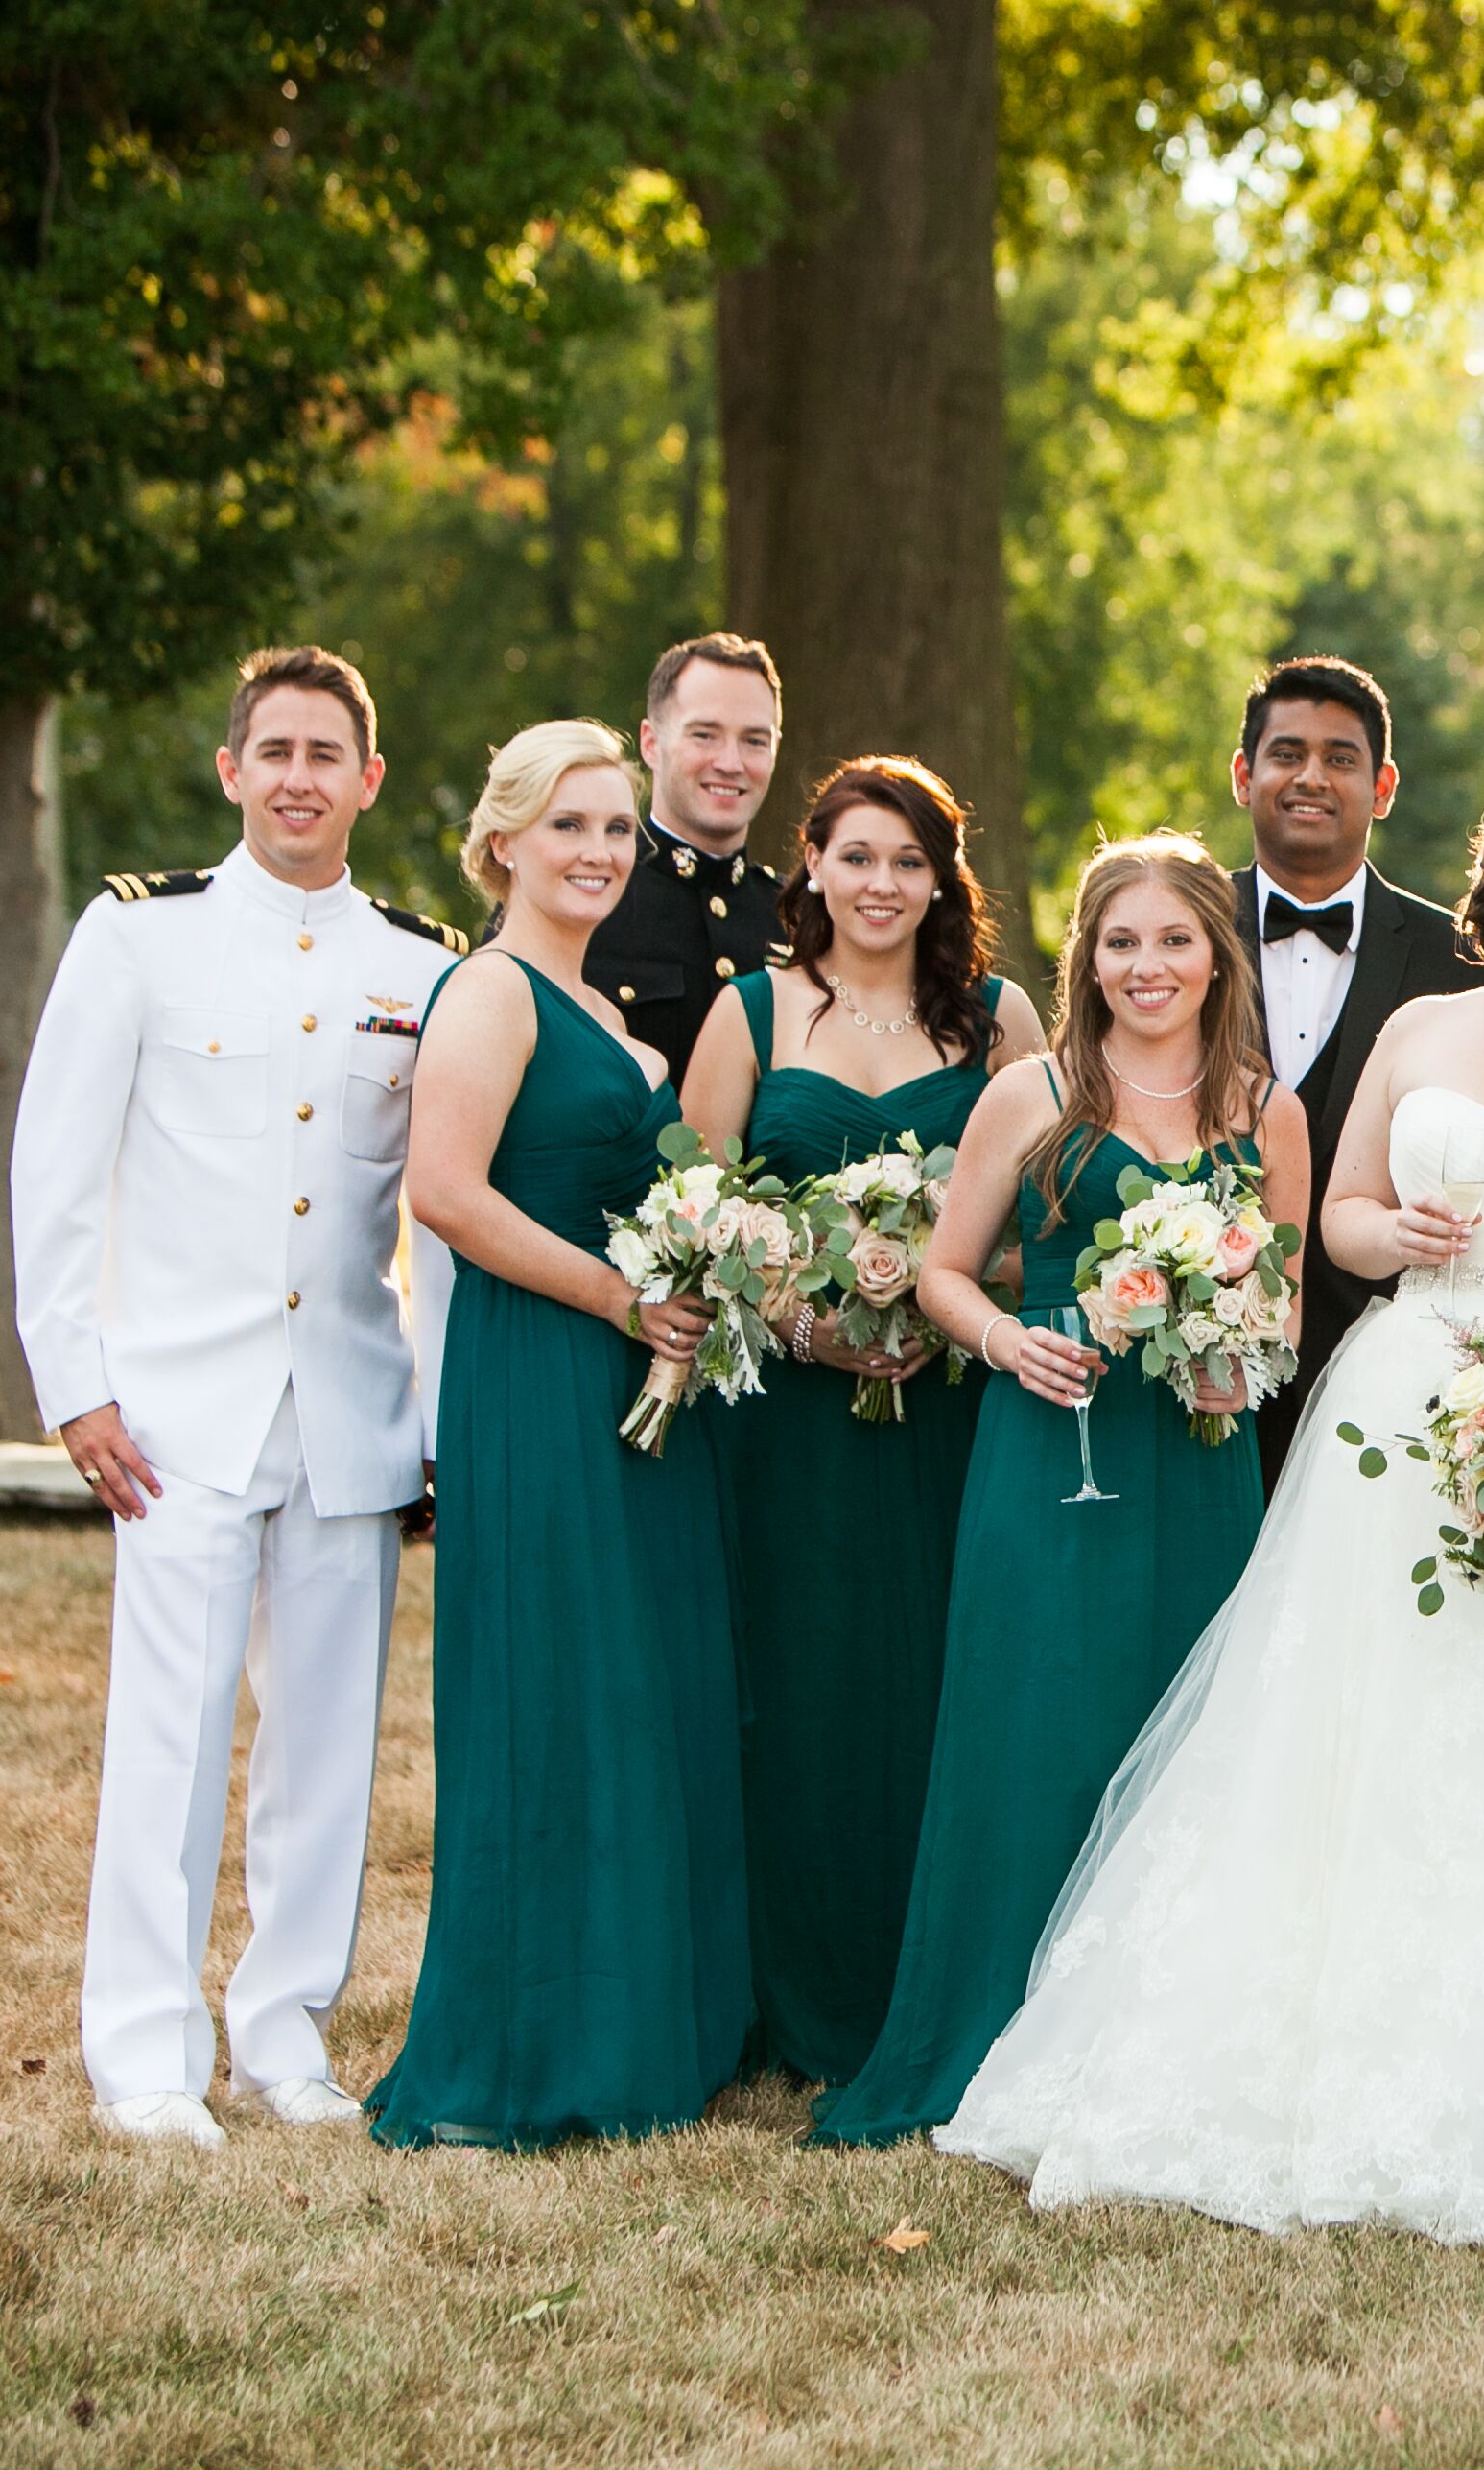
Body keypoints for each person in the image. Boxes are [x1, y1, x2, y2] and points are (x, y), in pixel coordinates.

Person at [934, 775, 1484, 2244]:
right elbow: (1332, 1221)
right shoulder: (1418, 1031)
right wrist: (1390, 1232)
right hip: (1408, 1399)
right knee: (1359, 1725)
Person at [12, 645, 465, 2147]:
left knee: (327, 1747)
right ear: (232, 771)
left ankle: (286, 2036)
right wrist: (74, 1383)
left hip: (349, 1410)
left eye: (326, 753)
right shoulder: (140, 938)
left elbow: (439, 1224)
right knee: (174, 1734)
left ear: (369, 779)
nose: (297, 777)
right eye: (273, 749)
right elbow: (56, 1173)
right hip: (177, 1415)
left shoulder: (421, 966)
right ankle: (146, 2058)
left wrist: (438, 1434)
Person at [811, 835, 1308, 2148]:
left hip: (1196, 1462)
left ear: (1216, 953)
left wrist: (1240, 1366)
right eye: (1120, 942)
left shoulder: (1264, 1105)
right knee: (1035, 1721)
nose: (1146, 967)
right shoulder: (1032, 1091)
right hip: (1049, 1447)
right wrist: (1004, 1340)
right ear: (1085, 957)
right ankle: (996, 2028)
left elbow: (1288, 1305)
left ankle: (1165, 2046)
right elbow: (943, 1271)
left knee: (1192, 1734)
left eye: (1173, 941)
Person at [366, 720, 754, 2149]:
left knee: (631, 1690)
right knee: (552, 1688)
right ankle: (528, 2046)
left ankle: (639, 2025)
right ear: (505, 843)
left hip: (635, 1382)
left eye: (615, 831)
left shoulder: (609, 1019)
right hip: (540, 1369)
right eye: (571, 827)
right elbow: (447, 1194)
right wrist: (619, 1292)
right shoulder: (491, 991)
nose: (598, 853)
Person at [677, 757, 1045, 2087]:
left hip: (951, 1416)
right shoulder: (752, 1009)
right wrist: (794, 1307)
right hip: (788, 1428)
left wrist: (935, 1294)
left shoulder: (998, 1021)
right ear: (813, 865)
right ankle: (794, 2001)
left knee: (940, 1681)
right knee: (801, 1690)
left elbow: (1042, 1222)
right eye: (859, 856)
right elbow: (695, 1210)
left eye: (910, 861)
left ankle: (932, 1988)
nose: (883, 884)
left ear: (943, 878)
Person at [1224, 655, 1484, 1481]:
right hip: (1191, 1373)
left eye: (1340, 758)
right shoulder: (1171, 937)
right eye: (1286, 754)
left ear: (1382, 788)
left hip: (1392, 1384)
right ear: (1245, 775)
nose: (1311, 777)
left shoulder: (1465, 961)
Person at [588, 633, 787, 1087]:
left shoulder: (803, 918)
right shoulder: (586, 894)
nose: (731, 762)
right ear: (651, 743)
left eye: (754, 740)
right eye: (705, 735)